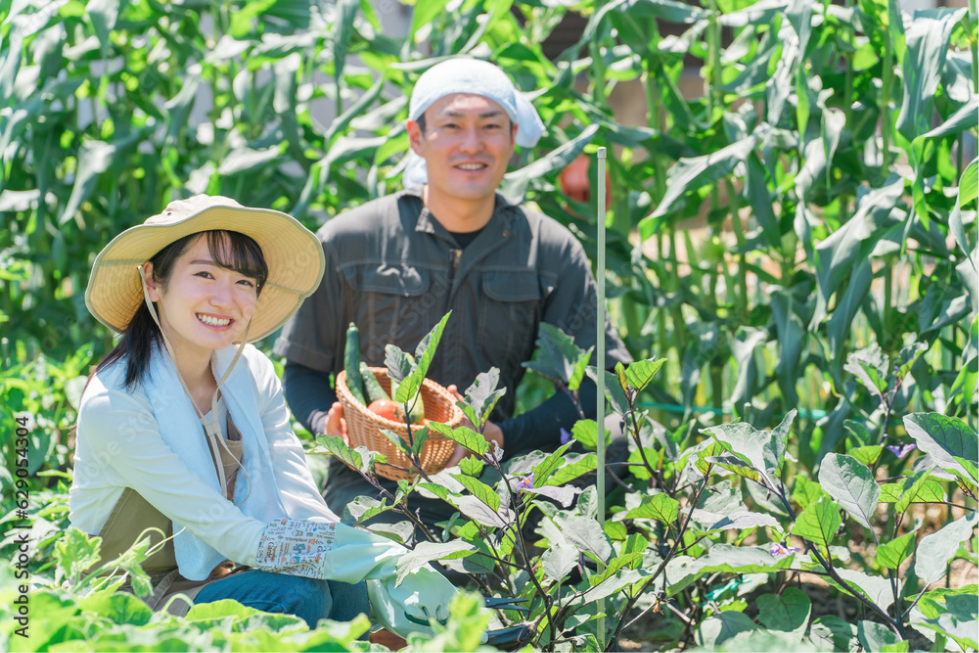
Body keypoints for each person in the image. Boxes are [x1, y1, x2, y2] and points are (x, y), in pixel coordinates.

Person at [69, 195, 457, 635]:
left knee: (344, 585)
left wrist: (376, 561)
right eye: (204, 274)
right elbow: (230, 532)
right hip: (126, 598)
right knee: (296, 595)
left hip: (214, 577)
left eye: (244, 282)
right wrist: (375, 556)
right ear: (153, 281)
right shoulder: (117, 402)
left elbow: (296, 500)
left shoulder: (251, 374)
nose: (225, 299)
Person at [274, 58, 632, 533]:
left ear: (512, 138)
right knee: (403, 566)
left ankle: (547, 547)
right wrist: (330, 425)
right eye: (452, 125)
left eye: (490, 126)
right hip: (379, 479)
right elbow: (302, 368)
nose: (472, 144)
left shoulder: (547, 248)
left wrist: (501, 435)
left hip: (495, 470)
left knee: (617, 438)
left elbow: (602, 381)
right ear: (416, 138)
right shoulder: (352, 240)